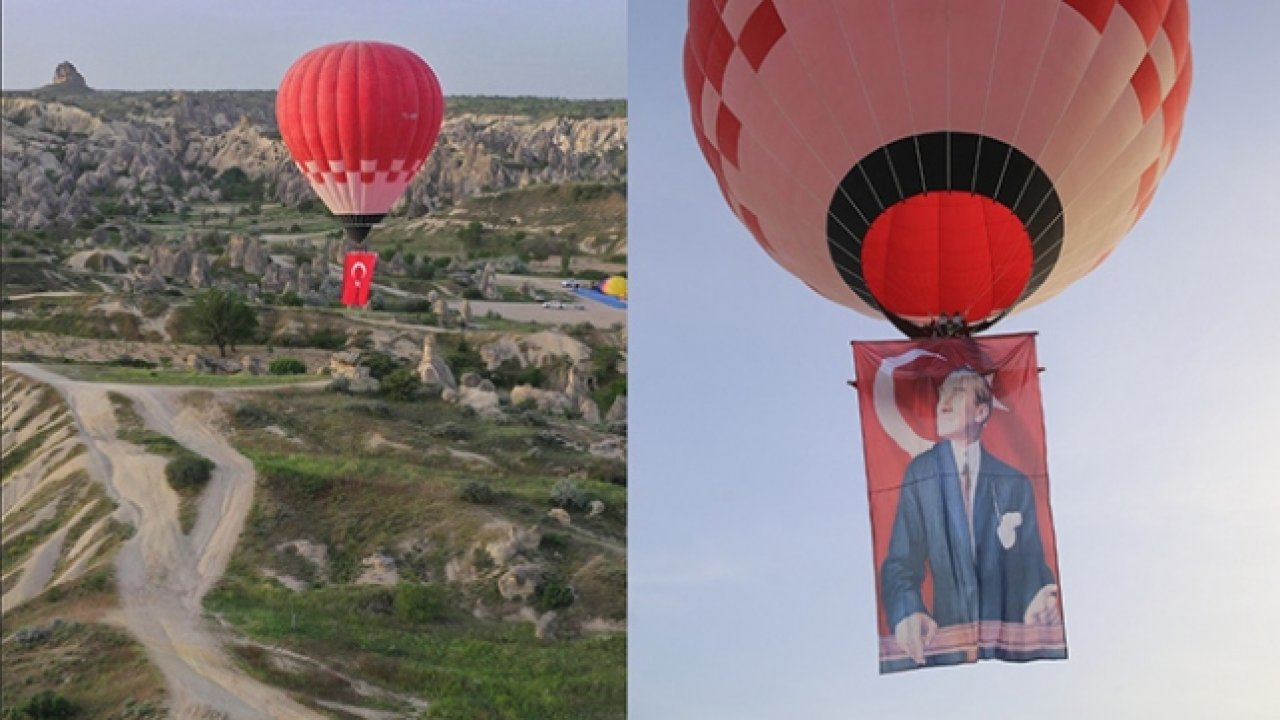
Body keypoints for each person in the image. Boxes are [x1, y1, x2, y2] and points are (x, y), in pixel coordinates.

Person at [880, 368, 1062, 668]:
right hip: (947, 636)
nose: (943, 403)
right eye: (942, 394)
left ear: (981, 411)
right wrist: (907, 611)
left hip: (1007, 631)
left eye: (957, 392)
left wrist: (1040, 596)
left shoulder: (1013, 482)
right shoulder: (920, 474)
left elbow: (1031, 563)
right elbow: (901, 563)